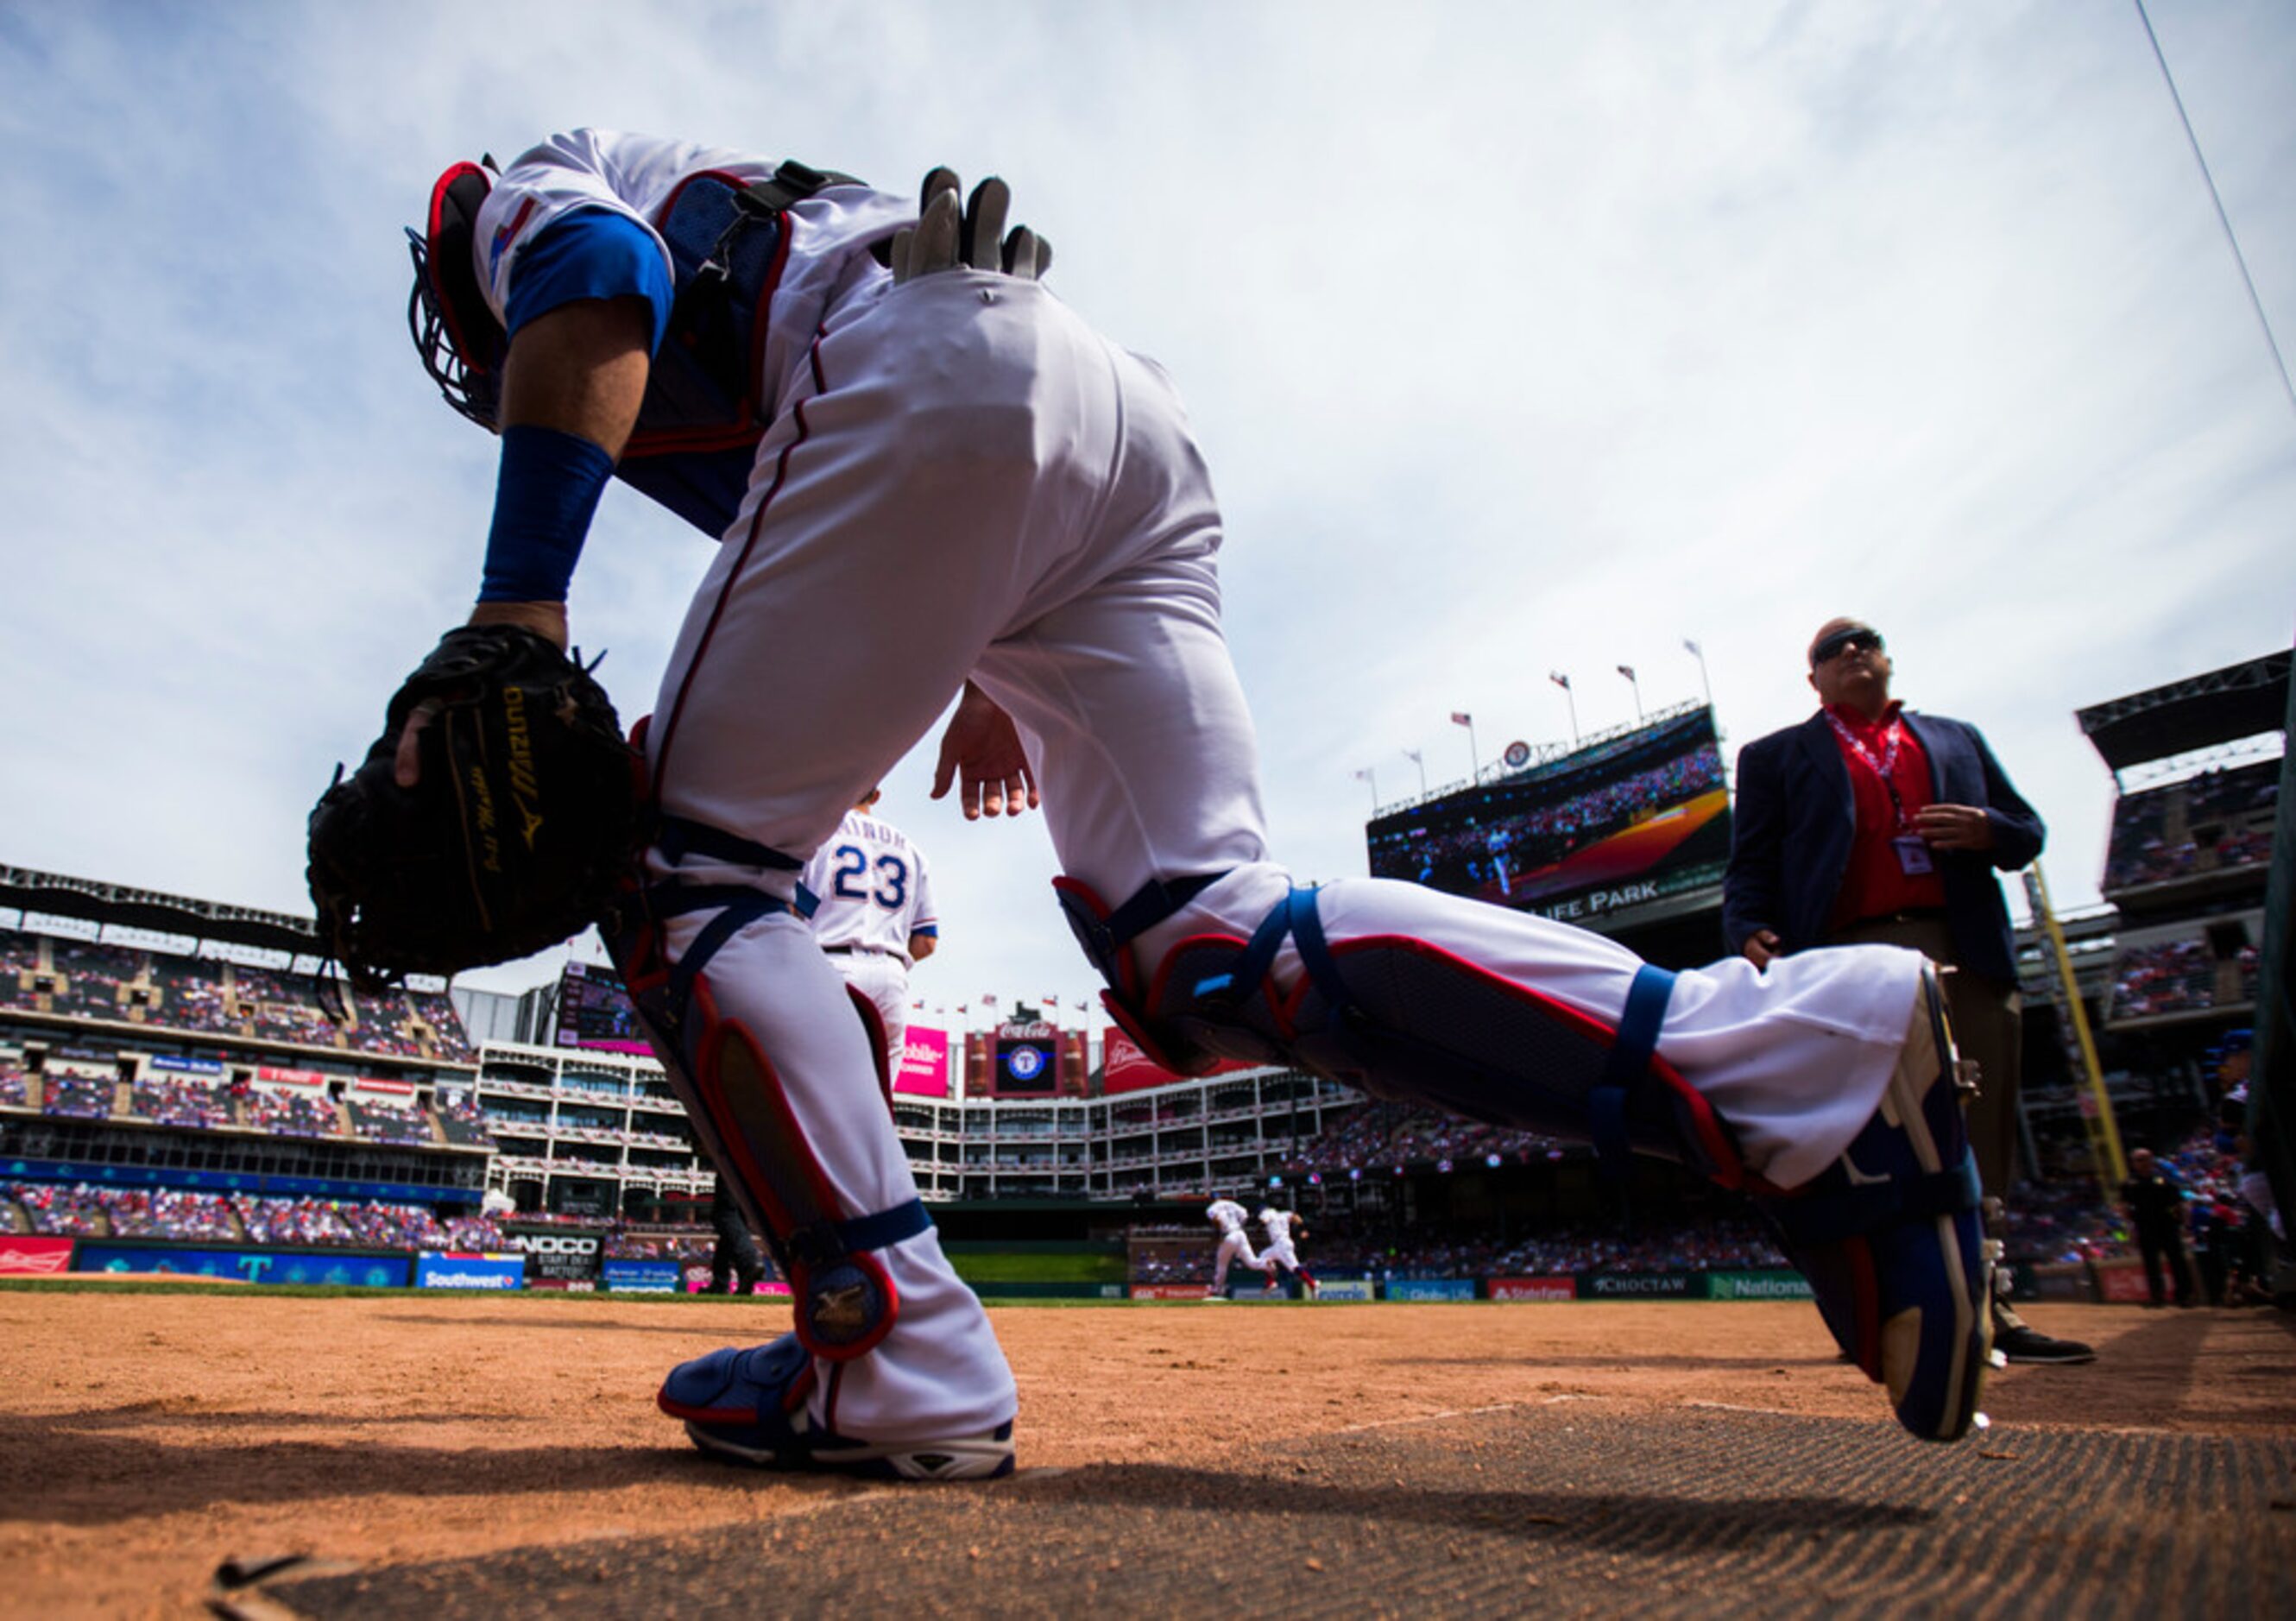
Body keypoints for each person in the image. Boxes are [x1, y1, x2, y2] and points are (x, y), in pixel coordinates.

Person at [396, 129, 1996, 1475]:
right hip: (1109, 427)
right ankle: (1795, 1053)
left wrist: (513, 612)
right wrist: (970, 648)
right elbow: (876, 473)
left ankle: (889, 1352)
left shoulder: (515, 191)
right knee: (1207, 941)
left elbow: (594, 266)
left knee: (682, 873)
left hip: (933, 370)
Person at [1723, 618, 2095, 1369]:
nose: (1850, 651)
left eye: (1864, 640)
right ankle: (1877, 1309)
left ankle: (1989, 1304)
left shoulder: (1954, 738)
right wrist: (1748, 929)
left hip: (1959, 942)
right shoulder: (1775, 756)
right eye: (1831, 649)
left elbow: (2028, 832)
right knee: (1856, 1133)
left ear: (1887, 660)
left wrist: (1991, 829)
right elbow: (1751, 861)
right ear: (1814, 678)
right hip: (1845, 954)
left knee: (1978, 1125)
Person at [798, 787, 938, 1086]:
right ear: (875, 797)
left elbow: (793, 909)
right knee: (877, 1103)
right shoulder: (910, 849)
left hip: (829, 965)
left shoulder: (816, 835)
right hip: (892, 978)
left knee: (819, 1090)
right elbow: (926, 941)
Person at [2121, 1148, 2194, 1309]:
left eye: (2146, 1159)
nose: (2143, 1163)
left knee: (2177, 1261)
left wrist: (2184, 1224)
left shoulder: (2164, 1180)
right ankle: (2157, 1296)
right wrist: (2130, 1229)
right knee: (2151, 1264)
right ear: (2133, 1163)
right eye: (2139, 1160)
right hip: (2144, 1226)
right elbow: (2125, 1209)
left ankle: (2184, 1296)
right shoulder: (2128, 1185)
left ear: (2152, 1160)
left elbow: (2179, 1203)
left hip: (2167, 1224)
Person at [704, 1173, 765, 1296]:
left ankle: (749, 1262)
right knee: (734, 1224)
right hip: (751, 1173)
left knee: (725, 1215)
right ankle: (721, 1283)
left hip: (732, 1168)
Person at [1202, 1194, 1271, 1300]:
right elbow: (1245, 1215)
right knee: (1252, 1262)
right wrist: (1238, 1225)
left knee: (1221, 1265)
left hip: (1229, 1235)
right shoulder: (1232, 1204)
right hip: (1240, 1233)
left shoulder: (1212, 1208)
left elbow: (1215, 1219)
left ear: (1211, 1200)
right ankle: (1266, 1263)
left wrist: (1218, 1233)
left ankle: (1217, 1290)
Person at [1258, 1203, 1316, 1298]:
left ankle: (1312, 1283)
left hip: (1280, 1244)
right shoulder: (1283, 1214)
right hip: (1284, 1243)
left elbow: (1263, 1220)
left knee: (1294, 1268)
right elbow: (1297, 1217)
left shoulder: (1267, 1213)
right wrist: (1303, 1229)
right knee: (1264, 1256)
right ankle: (1271, 1282)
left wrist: (1260, 1225)